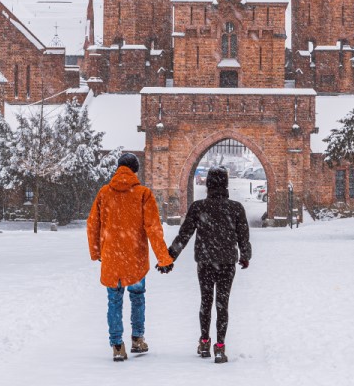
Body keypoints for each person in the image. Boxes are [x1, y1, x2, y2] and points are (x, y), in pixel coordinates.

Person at [87, 152, 174, 362]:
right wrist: (164, 258)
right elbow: (153, 228)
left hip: (112, 258)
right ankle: (137, 338)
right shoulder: (143, 194)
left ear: (118, 169)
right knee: (137, 297)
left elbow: (92, 225)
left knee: (114, 300)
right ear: (135, 170)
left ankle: (117, 345)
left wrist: (97, 252)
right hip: (135, 258)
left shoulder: (104, 193)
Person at [167, 166, 251, 364]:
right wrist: (245, 255)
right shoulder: (235, 208)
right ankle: (220, 347)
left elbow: (185, 234)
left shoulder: (199, 207)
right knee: (223, 304)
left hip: (205, 261)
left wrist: (170, 256)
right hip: (227, 261)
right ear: (226, 184)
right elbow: (243, 236)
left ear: (208, 184)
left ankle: (204, 341)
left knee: (206, 302)